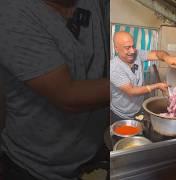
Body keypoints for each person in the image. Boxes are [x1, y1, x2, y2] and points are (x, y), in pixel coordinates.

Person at [0, 0, 109, 179]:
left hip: (92, 155)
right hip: (35, 167)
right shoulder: (12, 12)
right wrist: (128, 88)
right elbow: (68, 95)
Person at [110, 31, 176, 122]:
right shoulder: (113, 67)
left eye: (133, 46)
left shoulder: (137, 54)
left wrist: (167, 58)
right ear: (116, 48)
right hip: (120, 115)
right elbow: (131, 91)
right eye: (127, 48)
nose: (132, 51)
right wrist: (157, 86)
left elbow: (157, 54)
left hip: (138, 110)